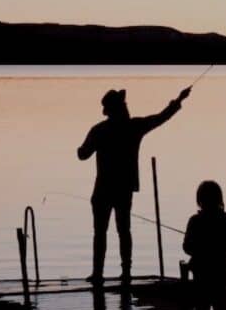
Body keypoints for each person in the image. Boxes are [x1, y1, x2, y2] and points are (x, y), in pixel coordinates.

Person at [78, 86, 190, 286]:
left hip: (103, 190)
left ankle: (97, 273)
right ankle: (126, 272)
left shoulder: (99, 130)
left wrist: (83, 147)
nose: (127, 106)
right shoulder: (134, 127)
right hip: (123, 189)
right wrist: (178, 100)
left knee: (100, 233)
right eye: (124, 104)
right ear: (121, 108)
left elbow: (82, 155)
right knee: (124, 230)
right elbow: (161, 117)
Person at [182, 180, 226, 310]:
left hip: (202, 273)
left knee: (202, 308)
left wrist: (200, 248)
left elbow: (187, 247)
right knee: (222, 308)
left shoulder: (195, 221)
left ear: (199, 200)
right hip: (221, 272)